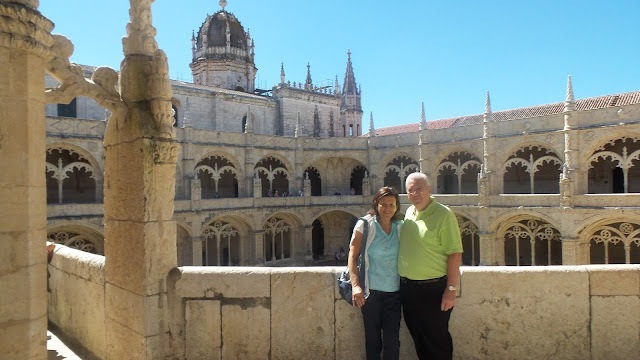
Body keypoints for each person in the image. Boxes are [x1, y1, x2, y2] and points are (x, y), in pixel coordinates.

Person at [399, 172, 463, 360]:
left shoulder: (444, 214)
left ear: (429, 189)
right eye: (411, 190)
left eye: (419, 189)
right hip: (408, 289)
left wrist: (451, 289)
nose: (415, 194)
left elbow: (455, 253)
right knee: (419, 337)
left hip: (433, 290)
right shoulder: (409, 212)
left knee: (437, 341)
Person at [348, 186, 403, 360]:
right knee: (372, 339)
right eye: (383, 204)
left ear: (397, 207)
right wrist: (356, 286)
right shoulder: (365, 225)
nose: (387, 209)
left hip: (394, 292)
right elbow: (353, 255)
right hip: (370, 293)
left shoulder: (400, 227)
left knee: (392, 340)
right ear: (376, 204)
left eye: (391, 205)